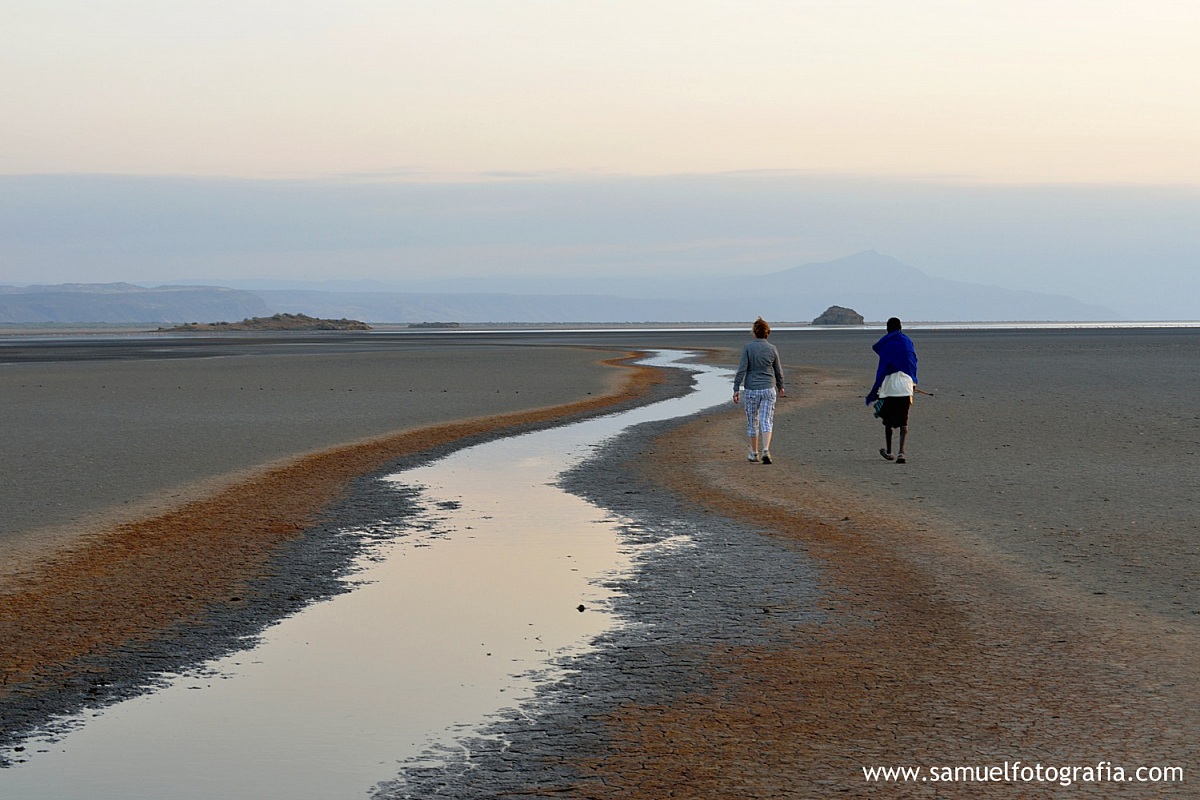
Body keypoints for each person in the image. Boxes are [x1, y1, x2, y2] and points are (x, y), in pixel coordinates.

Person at [865, 317, 918, 464]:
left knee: (888, 422)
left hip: (890, 388)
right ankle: (902, 453)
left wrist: (876, 389)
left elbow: (882, 369)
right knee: (904, 422)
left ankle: (889, 452)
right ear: (900, 327)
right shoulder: (907, 342)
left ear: (888, 329)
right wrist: (913, 382)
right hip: (906, 386)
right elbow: (912, 362)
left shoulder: (886, 344)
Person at [733, 317, 785, 464]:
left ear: (754, 333)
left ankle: (754, 452)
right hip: (768, 388)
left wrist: (736, 388)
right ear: (767, 333)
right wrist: (780, 386)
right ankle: (766, 450)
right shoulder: (772, 349)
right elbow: (778, 371)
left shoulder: (748, 348)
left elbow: (742, 369)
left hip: (751, 390)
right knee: (766, 420)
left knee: (753, 421)